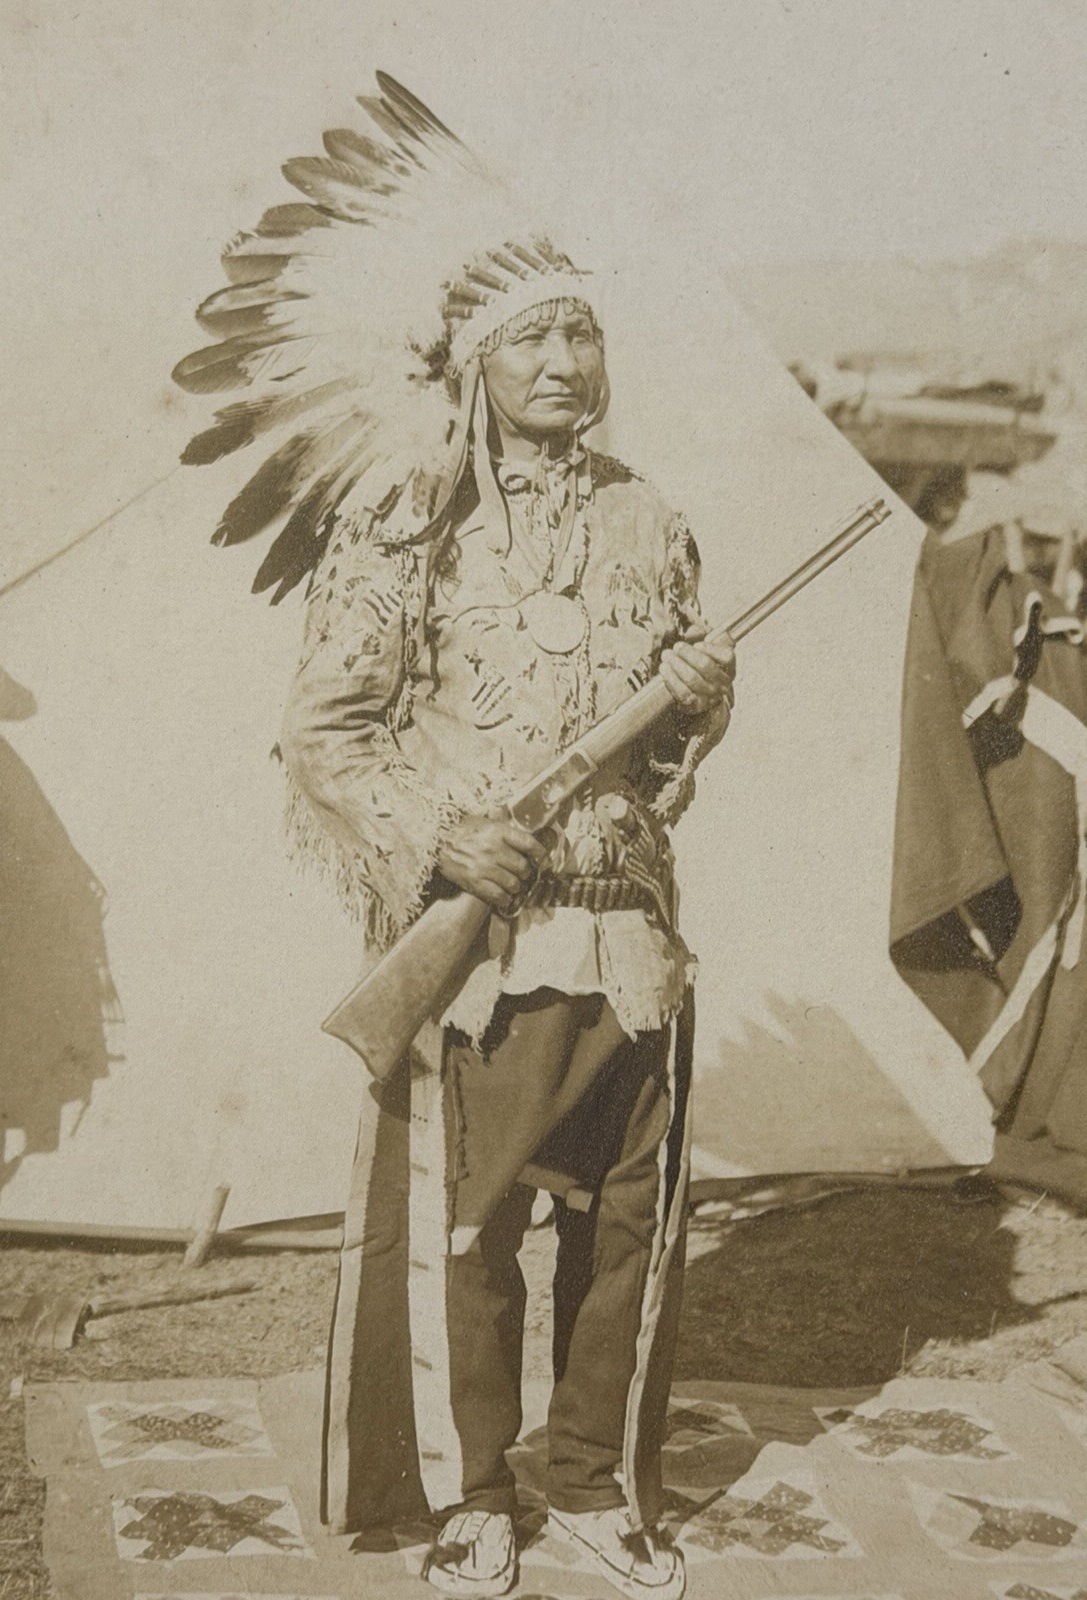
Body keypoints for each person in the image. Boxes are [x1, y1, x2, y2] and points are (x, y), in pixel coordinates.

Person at [174, 75, 734, 1600]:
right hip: (485, 943)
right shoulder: (407, 519)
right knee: (469, 1238)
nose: (567, 360)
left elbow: (673, 757)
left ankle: (593, 1488)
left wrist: (697, 704)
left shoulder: (655, 518)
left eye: (584, 332)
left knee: (628, 1234)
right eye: (534, 339)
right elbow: (324, 731)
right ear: (477, 366)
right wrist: (445, 838)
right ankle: (476, 1496)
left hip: (637, 937)